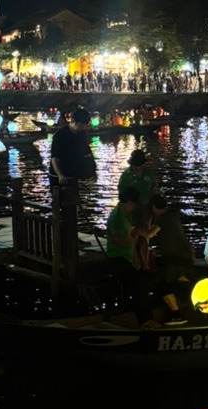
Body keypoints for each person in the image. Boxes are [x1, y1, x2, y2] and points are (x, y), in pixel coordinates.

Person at [105, 186, 155, 321]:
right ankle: (145, 319)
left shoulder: (125, 215)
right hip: (117, 257)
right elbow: (115, 239)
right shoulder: (117, 217)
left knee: (133, 284)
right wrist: (131, 239)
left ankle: (126, 312)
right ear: (129, 202)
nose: (133, 208)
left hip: (126, 256)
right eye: (133, 204)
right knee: (139, 284)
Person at [49, 107, 95, 190]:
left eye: (86, 125)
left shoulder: (81, 134)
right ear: (74, 121)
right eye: (82, 125)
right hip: (59, 177)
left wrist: (91, 171)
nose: (84, 128)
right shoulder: (60, 136)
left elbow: (86, 153)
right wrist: (60, 175)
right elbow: (55, 158)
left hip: (73, 175)